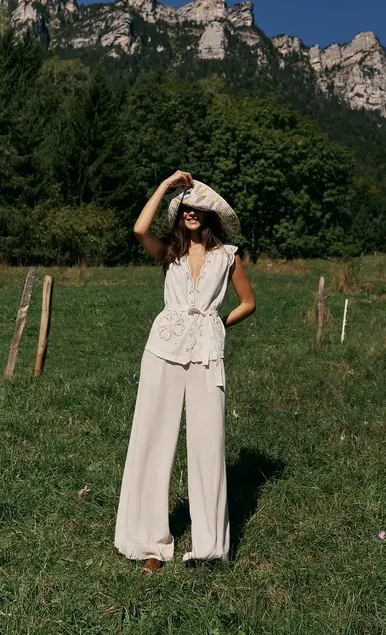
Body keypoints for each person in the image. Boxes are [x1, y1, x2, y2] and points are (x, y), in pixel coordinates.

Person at [114, 169, 256, 571]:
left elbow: (248, 302)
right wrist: (165, 186)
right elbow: (139, 229)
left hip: (206, 353)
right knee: (152, 438)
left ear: (209, 215)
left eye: (197, 207)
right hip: (163, 349)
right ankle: (149, 544)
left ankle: (209, 548)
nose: (190, 212)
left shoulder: (227, 257)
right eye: (184, 208)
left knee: (209, 444)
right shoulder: (169, 254)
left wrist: (218, 323)